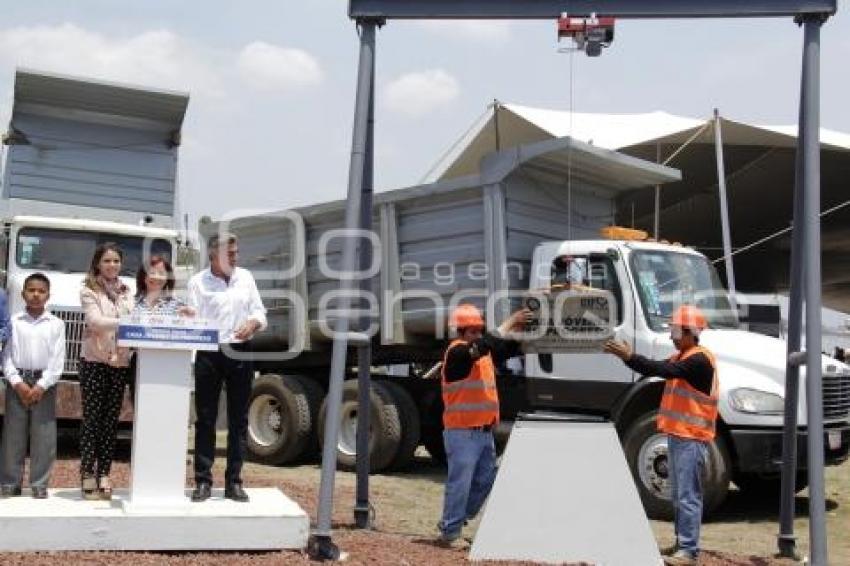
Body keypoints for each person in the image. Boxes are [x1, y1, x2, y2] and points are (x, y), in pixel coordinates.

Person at [603, 305, 717, 566]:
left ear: (688, 332)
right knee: (680, 494)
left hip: (691, 438)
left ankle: (688, 551)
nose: (671, 336)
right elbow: (654, 367)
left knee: (688, 495)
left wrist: (629, 355)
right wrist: (629, 358)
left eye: (675, 331)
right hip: (680, 436)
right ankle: (682, 544)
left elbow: (661, 371)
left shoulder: (698, 360)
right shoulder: (683, 357)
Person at [436, 303, 530, 547]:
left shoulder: (483, 354)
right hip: (462, 432)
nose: (477, 335)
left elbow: (503, 347)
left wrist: (522, 331)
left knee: (486, 480)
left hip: (483, 431)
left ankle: (454, 521)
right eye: (472, 331)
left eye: (480, 330)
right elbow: (484, 345)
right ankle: (450, 532)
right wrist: (509, 322)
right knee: (461, 483)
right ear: (460, 332)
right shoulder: (457, 353)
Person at [187, 232, 267, 503]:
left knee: (239, 419)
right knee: (206, 418)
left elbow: (259, 312)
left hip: (241, 351)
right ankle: (203, 481)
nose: (235, 257)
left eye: (236, 252)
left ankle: (234, 481)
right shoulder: (197, 282)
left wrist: (253, 323)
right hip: (210, 353)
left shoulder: (246, 278)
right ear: (213, 255)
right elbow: (193, 318)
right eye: (230, 253)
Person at [0, 273, 65, 499]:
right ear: (23, 293)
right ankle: (10, 481)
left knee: (44, 434)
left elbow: (58, 359)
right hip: (17, 382)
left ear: (48, 295)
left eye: (41, 291)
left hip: (43, 384)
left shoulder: (56, 324)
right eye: (31, 290)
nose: (36, 295)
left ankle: (39, 482)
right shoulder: (14, 322)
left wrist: (41, 385)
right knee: (13, 433)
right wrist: (16, 382)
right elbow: (6, 355)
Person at [79, 242, 134, 501]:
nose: (112, 265)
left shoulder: (127, 291)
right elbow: (95, 322)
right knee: (92, 420)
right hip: (94, 361)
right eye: (107, 261)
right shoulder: (88, 290)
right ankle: (87, 472)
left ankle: (105, 474)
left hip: (120, 362)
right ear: (97, 264)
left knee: (111, 422)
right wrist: (128, 323)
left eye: (116, 261)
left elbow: (133, 319)